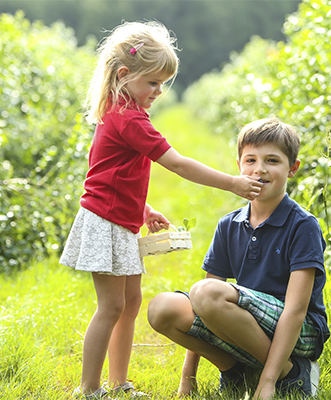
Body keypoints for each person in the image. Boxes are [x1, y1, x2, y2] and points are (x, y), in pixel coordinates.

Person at [59, 21, 263, 400]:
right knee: (112, 305)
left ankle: (119, 383)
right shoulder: (129, 118)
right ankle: (88, 389)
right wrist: (233, 183)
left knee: (130, 302)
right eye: (152, 82)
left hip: (118, 218)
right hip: (105, 222)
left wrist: (142, 208)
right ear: (125, 75)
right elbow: (178, 164)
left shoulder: (120, 110)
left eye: (162, 83)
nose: (159, 91)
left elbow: (110, 174)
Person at [147, 118, 329, 400]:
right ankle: (235, 371)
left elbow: (295, 310)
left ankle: (290, 374)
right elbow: (200, 305)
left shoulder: (302, 225)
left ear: (292, 169)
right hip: (250, 321)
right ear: (239, 166)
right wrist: (188, 378)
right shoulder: (229, 225)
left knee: (207, 293)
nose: (260, 169)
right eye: (251, 160)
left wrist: (267, 383)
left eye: (272, 161)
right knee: (163, 308)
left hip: (301, 330)